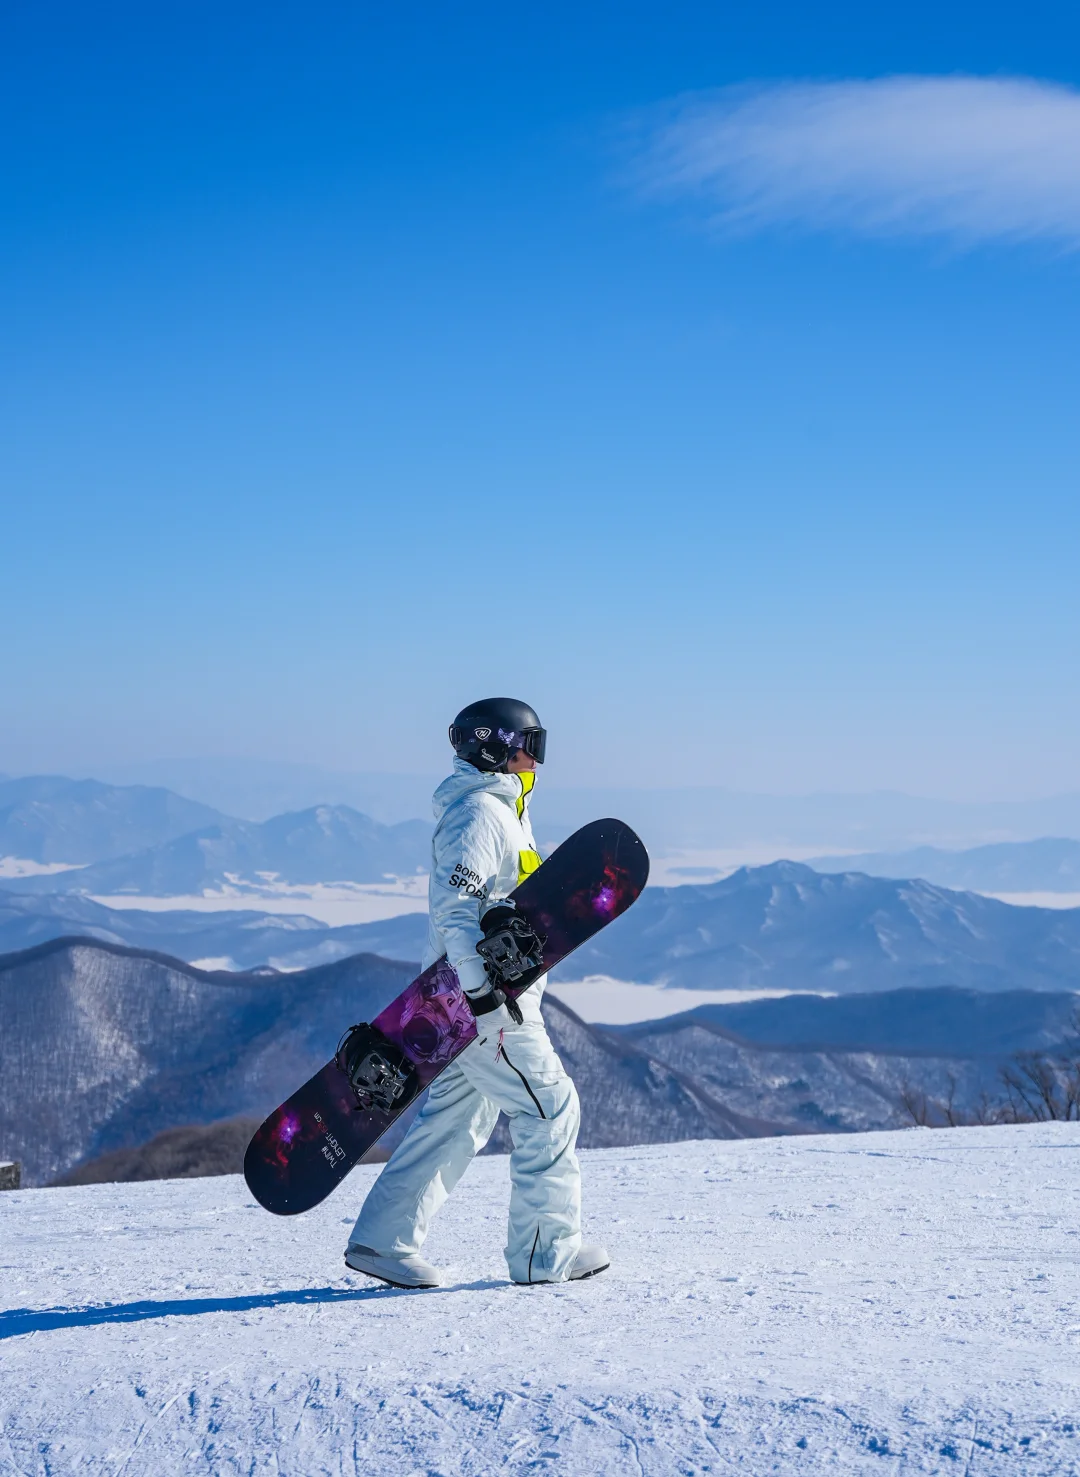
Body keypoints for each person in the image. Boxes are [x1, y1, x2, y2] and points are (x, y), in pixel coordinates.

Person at [344, 697, 609, 1289]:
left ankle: (382, 1241)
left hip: (477, 999)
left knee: (458, 1120)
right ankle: (546, 1254)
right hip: (485, 1005)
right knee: (550, 1106)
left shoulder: (504, 812)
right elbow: (456, 912)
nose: (537, 762)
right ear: (496, 747)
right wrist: (482, 997)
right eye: (530, 747)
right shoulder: (478, 818)